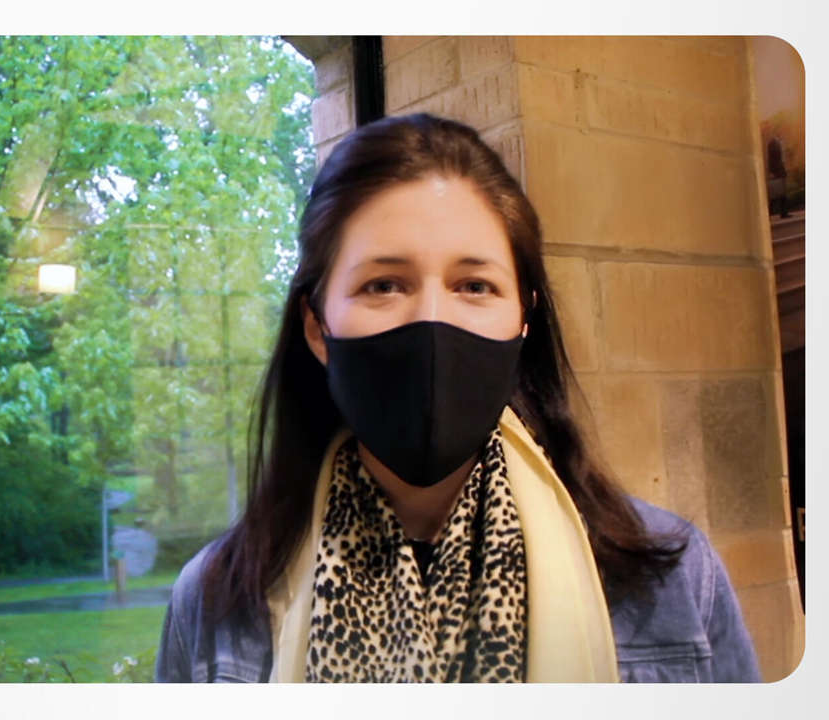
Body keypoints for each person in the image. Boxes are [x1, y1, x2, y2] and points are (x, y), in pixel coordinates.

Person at [154, 113, 760, 683]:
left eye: (474, 285)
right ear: (318, 328)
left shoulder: (676, 582)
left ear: (524, 318)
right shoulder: (213, 604)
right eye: (383, 285)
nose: (432, 322)